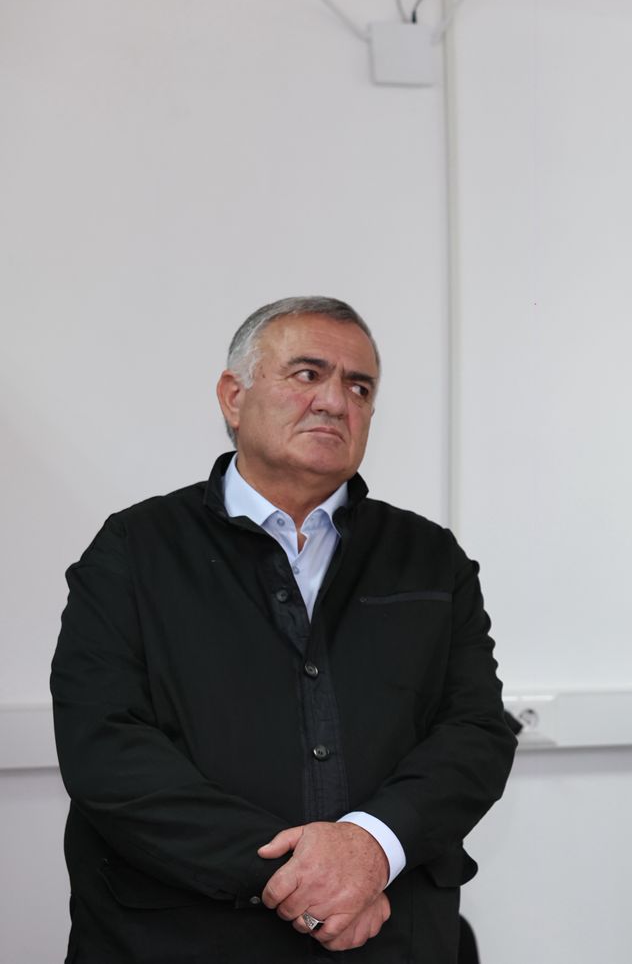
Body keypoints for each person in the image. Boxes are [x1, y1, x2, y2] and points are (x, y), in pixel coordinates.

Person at [51, 296, 517, 962]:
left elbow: (475, 732)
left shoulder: (428, 557)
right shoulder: (135, 549)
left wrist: (372, 847)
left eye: (359, 387)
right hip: (176, 938)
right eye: (307, 374)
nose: (335, 401)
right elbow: (106, 747)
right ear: (233, 397)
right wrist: (305, 877)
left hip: (389, 934)